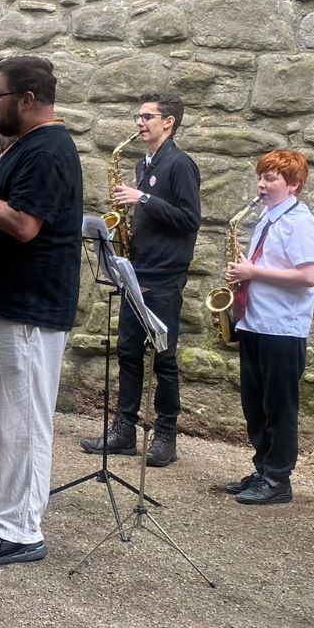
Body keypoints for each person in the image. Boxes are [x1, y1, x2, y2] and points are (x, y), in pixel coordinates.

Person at [0, 57, 83, 566]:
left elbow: (25, 224)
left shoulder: (50, 148)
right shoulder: (28, 146)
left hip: (32, 305)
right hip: (11, 301)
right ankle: (2, 509)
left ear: (27, 99)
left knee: (24, 418)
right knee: (2, 413)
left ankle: (21, 531)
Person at [81, 90, 202, 467]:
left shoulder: (181, 164)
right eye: (138, 116)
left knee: (163, 359)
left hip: (165, 276)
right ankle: (124, 431)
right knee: (129, 353)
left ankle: (166, 434)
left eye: (148, 117)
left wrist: (143, 200)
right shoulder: (143, 164)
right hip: (137, 271)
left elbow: (189, 220)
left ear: (169, 122)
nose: (140, 122)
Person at [223, 149, 314, 507]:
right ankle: (263, 467)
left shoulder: (300, 222)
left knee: (279, 408)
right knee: (256, 405)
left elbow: (309, 276)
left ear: (294, 185)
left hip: (282, 328)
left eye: (271, 179)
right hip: (256, 322)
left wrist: (253, 272)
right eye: (261, 177)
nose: (261, 185)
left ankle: (278, 478)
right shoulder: (268, 217)